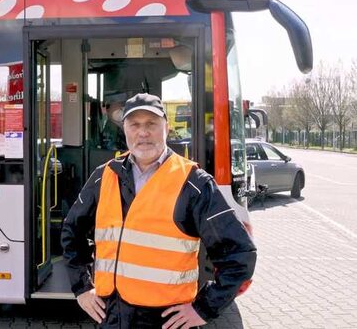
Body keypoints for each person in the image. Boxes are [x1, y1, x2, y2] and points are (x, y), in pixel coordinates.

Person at [61, 93, 256, 328]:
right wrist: (82, 288)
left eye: (151, 124)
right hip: (112, 315)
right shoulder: (105, 176)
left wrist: (204, 309)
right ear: (125, 130)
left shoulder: (194, 184)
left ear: (167, 127)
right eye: (134, 124)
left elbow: (240, 254)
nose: (143, 132)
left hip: (166, 321)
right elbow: (72, 231)